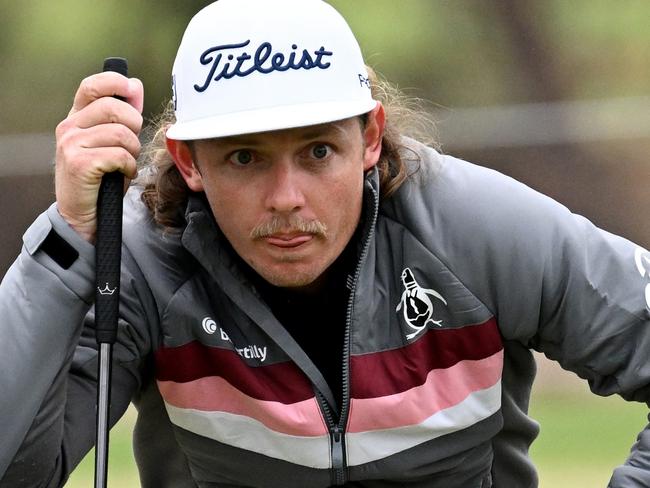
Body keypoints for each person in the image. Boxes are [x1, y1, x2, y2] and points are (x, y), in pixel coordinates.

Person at [1, 0, 649, 486]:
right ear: (188, 162)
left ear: (369, 138)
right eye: (246, 158)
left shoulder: (480, 228)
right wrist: (66, 240)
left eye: (317, 150)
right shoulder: (142, 259)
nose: (287, 197)